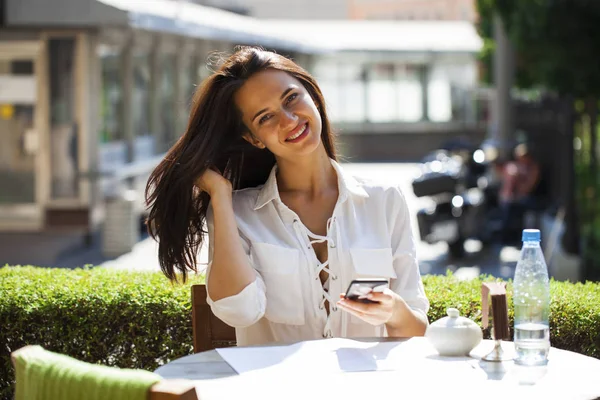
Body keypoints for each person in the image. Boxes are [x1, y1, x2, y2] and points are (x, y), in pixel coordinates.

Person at [145, 47, 429, 347]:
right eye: (265, 117)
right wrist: (219, 194)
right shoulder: (236, 212)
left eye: (291, 98)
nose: (289, 119)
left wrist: (393, 310)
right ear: (254, 138)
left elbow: (417, 330)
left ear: (312, 94)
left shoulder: (384, 201)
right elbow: (238, 311)